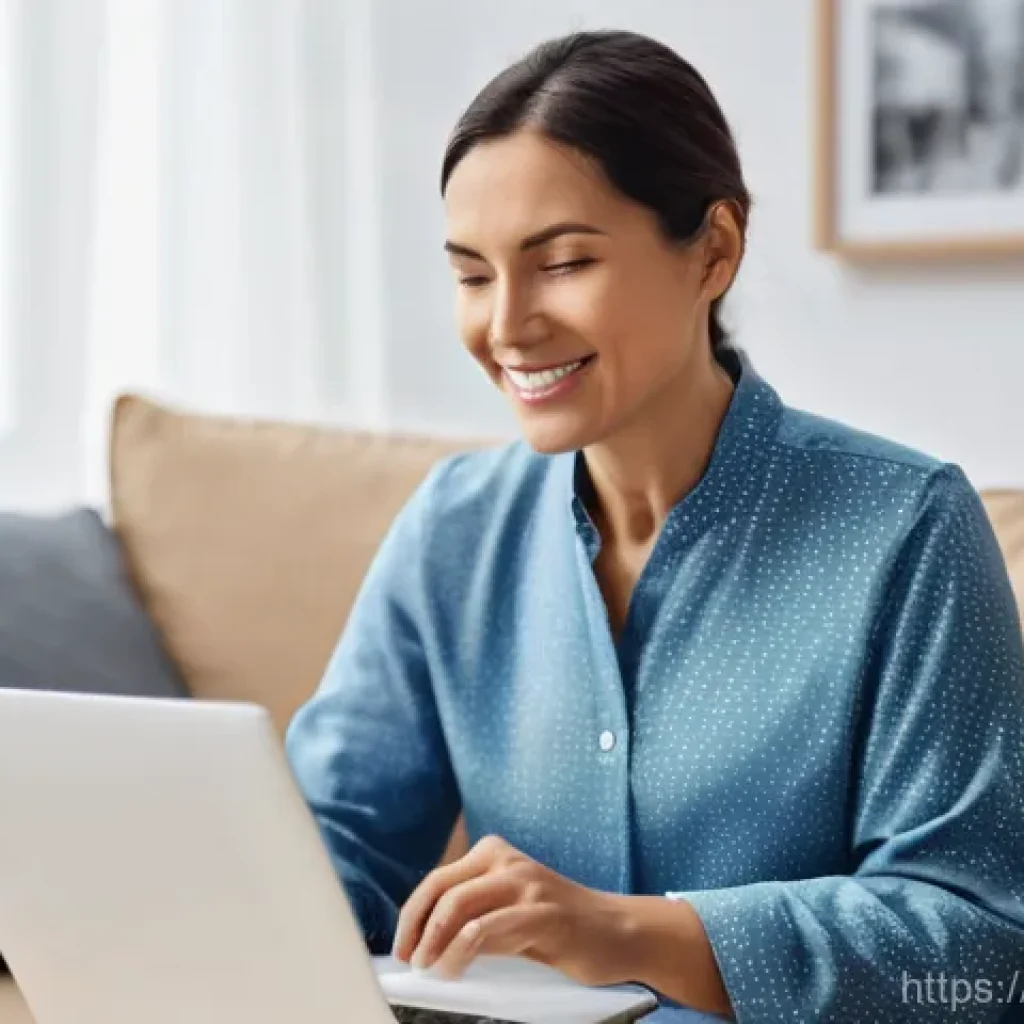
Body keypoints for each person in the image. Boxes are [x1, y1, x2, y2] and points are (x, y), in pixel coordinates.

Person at [285, 29, 1024, 1022]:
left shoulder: (903, 529)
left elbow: (982, 954)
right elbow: (327, 848)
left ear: (713, 250)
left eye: (561, 262)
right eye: (471, 275)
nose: (506, 325)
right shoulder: (451, 532)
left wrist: (623, 929)